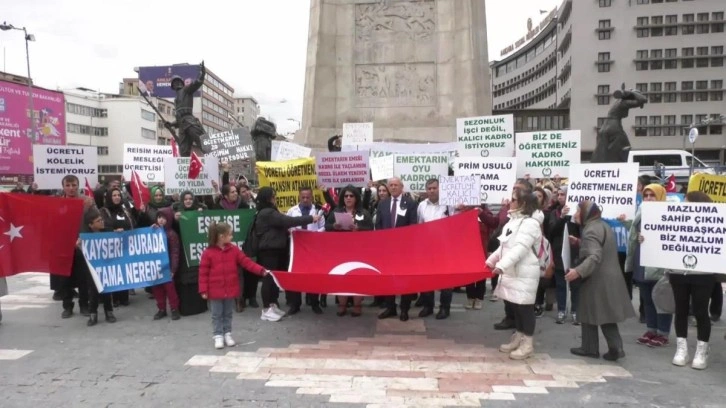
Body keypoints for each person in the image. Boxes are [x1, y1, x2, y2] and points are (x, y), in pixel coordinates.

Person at [567, 200, 635, 362]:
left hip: (596, 278)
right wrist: (579, 242)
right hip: (610, 277)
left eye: (578, 211)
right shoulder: (601, 225)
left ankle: (589, 348)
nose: (575, 214)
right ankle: (615, 347)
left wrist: (578, 271)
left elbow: (594, 256)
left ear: (586, 213)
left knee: (588, 312)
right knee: (605, 314)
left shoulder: (590, 230)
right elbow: (598, 247)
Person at [486, 187, 542, 360]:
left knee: (525, 307)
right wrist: (491, 261)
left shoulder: (531, 224)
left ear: (523, 203)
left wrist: (501, 265)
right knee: (516, 306)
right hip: (513, 271)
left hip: (524, 272)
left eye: (514, 199)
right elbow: (504, 246)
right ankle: (518, 336)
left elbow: (520, 249)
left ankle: (527, 343)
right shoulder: (512, 221)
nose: (510, 202)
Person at [254, 187, 321, 322]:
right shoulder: (267, 212)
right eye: (273, 196)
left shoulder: (270, 211)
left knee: (274, 279)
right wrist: (310, 218)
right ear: (268, 198)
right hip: (269, 250)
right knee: (268, 278)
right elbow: (288, 221)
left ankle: (273, 305)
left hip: (275, 249)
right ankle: (266, 309)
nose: (275, 198)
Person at [199, 222, 269, 349]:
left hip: (229, 289)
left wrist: (260, 270)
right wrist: (203, 289)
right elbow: (203, 273)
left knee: (228, 313)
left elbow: (246, 262)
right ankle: (218, 335)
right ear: (221, 236)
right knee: (216, 314)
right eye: (230, 235)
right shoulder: (208, 253)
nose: (232, 237)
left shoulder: (234, 250)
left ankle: (227, 333)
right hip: (215, 291)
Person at [668, 191, 716, 369]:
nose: (684, 205)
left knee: (700, 311)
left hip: (704, 274)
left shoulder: (713, 220)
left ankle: (702, 349)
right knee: (680, 310)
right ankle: (682, 348)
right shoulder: (677, 220)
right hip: (678, 272)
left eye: (687, 202)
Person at [626, 183, 672, 347]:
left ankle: (663, 333)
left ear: (660, 196)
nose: (648, 198)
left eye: (652, 195)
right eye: (646, 195)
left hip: (659, 264)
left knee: (661, 299)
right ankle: (651, 329)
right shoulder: (640, 211)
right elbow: (634, 233)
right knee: (647, 299)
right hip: (642, 261)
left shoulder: (669, 213)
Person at [325, 185, 374, 317]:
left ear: (356, 198)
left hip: (359, 251)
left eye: (351, 196)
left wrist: (359, 229)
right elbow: (326, 227)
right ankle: (342, 304)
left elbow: (371, 229)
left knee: (358, 278)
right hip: (340, 251)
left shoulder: (363, 213)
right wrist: (334, 226)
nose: (348, 198)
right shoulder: (337, 211)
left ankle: (357, 305)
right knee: (341, 277)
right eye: (346, 196)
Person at [375, 177, 419, 321]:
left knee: (404, 280)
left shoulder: (410, 204)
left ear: (401, 187)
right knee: (389, 279)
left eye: (396, 185)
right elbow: (379, 226)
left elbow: (413, 226)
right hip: (387, 250)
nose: (393, 188)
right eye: (391, 185)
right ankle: (390, 307)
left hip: (404, 250)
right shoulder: (383, 204)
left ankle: (404, 309)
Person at [101, 187, 149, 307]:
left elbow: (134, 224)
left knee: (124, 271)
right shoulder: (104, 211)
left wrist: (140, 214)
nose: (117, 197)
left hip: (126, 246)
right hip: (112, 248)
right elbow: (102, 227)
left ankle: (124, 297)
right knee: (114, 272)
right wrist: (114, 231)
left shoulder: (126, 210)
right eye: (114, 195)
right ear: (109, 197)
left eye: (118, 195)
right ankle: (114, 298)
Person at [416, 179, 458, 319]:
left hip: (445, 247)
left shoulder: (449, 205)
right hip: (427, 248)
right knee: (428, 277)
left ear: (440, 189)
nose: (432, 191)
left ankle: (444, 308)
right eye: (429, 188)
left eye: (434, 188)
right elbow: (419, 225)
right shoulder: (421, 205)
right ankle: (428, 306)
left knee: (446, 279)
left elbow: (456, 223)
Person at [286, 187, 326, 315]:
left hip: (313, 249)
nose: (305, 199)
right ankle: (295, 304)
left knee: (314, 276)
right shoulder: (292, 211)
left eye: (307, 197)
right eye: (302, 197)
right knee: (296, 276)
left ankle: (315, 303)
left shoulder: (318, 212)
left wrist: (313, 235)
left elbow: (323, 228)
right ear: (299, 197)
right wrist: (292, 231)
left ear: (312, 197)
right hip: (297, 248)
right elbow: (287, 225)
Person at [546, 185, 581, 324]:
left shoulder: (577, 212)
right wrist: (561, 217)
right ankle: (561, 310)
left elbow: (581, 230)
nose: (560, 197)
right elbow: (551, 232)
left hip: (574, 253)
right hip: (559, 252)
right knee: (560, 284)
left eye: (563, 194)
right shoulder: (554, 213)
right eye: (559, 194)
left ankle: (575, 311)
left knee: (575, 285)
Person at [172, 191, 208, 316]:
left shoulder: (200, 211)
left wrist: (200, 216)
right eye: (185, 199)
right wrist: (174, 220)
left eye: (190, 199)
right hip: (182, 251)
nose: (188, 201)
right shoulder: (176, 213)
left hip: (196, 251)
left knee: (197, 276)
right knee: (184, 279)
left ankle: (200, 305)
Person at [165, 60, 210, 157]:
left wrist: (202, 74)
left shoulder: (186, 90)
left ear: (181, 83)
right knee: (183, 152)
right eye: (174, 83)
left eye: (178, 82)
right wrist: (171, 124)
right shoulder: (176, 100)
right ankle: (186, 171)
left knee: (203, 143)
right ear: (172, 86)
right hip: (182, 126)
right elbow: (179, 118)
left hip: (190, 122)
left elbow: (197, 83)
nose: (176, 84)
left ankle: (212, 159)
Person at [81, 208, 117, 326]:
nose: (102, 222)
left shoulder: (107, 232)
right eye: (98, 221)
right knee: (93, 290)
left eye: (101, 219)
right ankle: (93, 314)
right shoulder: (86, 237)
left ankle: (109, 311)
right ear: (91, 225)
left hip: (106, 266)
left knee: (107, 289)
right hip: (91, 268)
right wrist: (78, 246)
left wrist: (120, 233)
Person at [152, 208, 181, 321]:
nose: (161, 220)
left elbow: (175, 252)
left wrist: (173, 269)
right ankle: (161, 309)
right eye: (159, 217)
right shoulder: (154, 232)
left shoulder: (171, 234)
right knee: (157, 289)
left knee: (170, 289)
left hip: (167, 267)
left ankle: (174, 309)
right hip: (156, 267)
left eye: (164, 218)